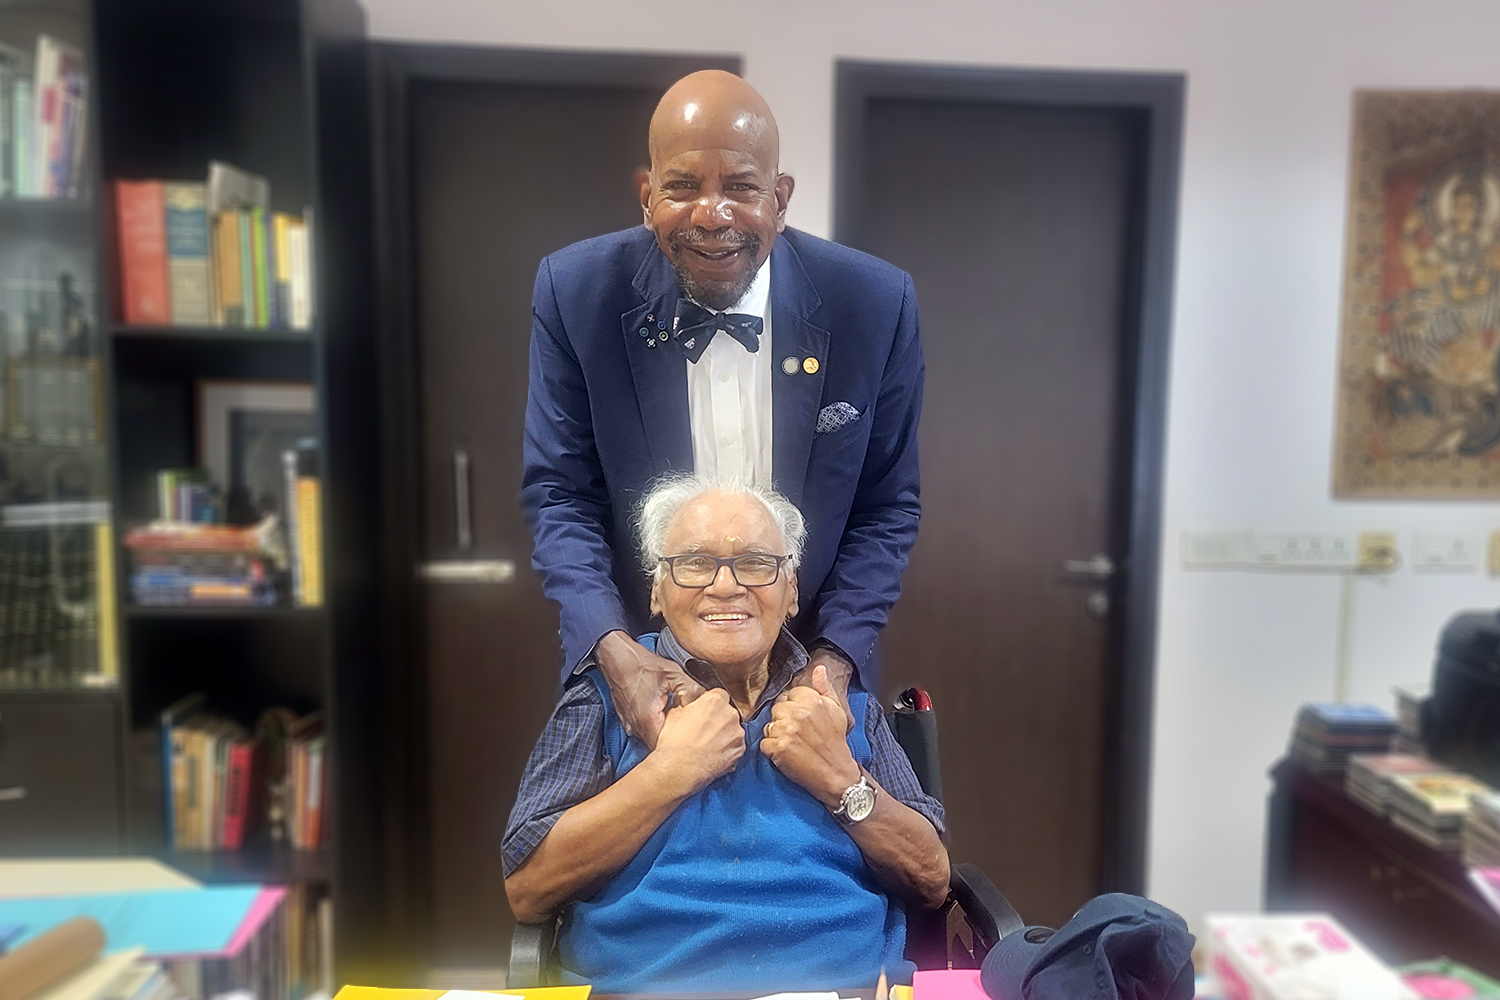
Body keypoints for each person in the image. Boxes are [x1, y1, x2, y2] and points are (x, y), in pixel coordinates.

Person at [521, 69, 924, 745]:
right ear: (647, 196)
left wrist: (832, 659)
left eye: (741, 186)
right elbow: (561, 495)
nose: (713, 214)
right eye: (683, 186)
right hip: (640, 667)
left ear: (780, 197)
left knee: (834, 851)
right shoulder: (575, 292)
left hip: (812, 672)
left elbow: (887, 507)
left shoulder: (874, 304)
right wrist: (616, 652)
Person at [503, 475, 949, 992]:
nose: (725, 585)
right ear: (656, 590)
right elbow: (528, 889)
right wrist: (668, 774)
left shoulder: (844, 709)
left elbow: (932, 879)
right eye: (693, 562)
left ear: (791, 591)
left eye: (757, 563)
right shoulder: (606, 702)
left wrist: (842, 780)